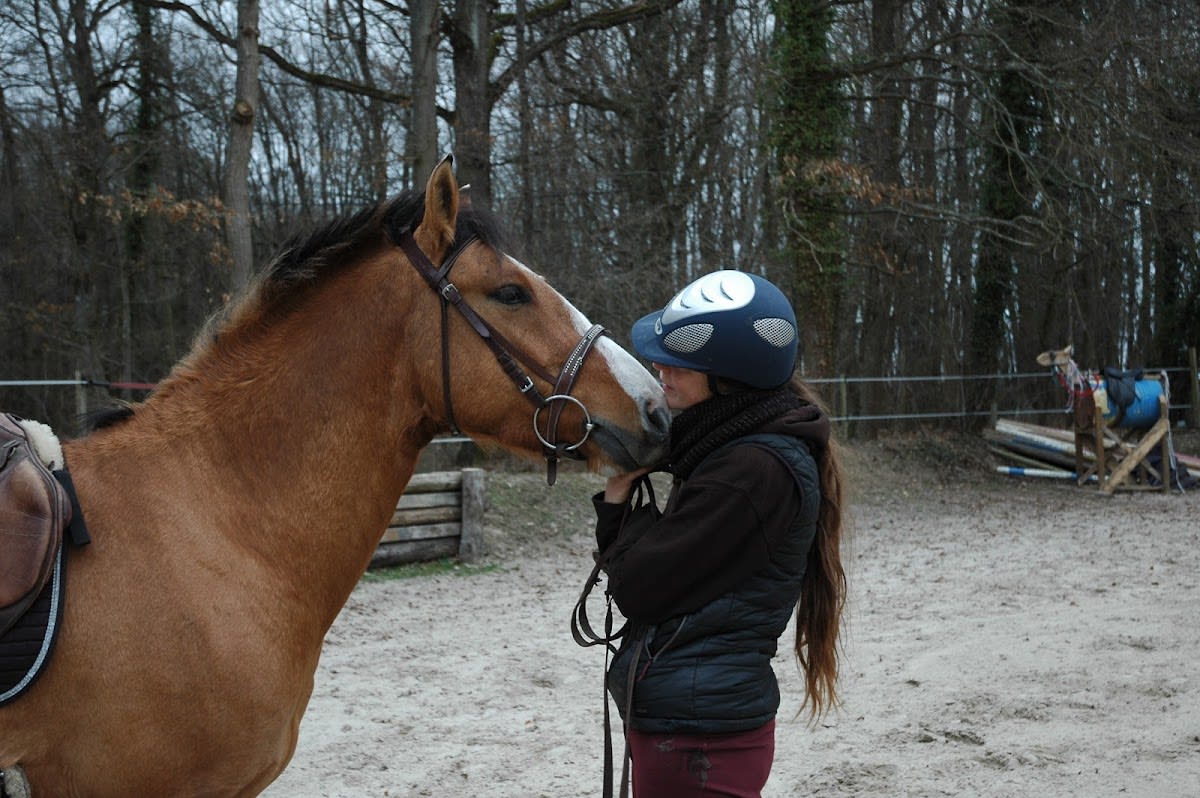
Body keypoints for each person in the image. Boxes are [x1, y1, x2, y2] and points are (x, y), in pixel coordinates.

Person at [592, 269, 847, 797]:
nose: (659, 368)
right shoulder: (733, 450)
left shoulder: (751, 471)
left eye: (679, 361)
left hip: (697, 738)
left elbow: (639, 586)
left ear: (729, 376)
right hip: (694, 725)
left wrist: (619, 500)